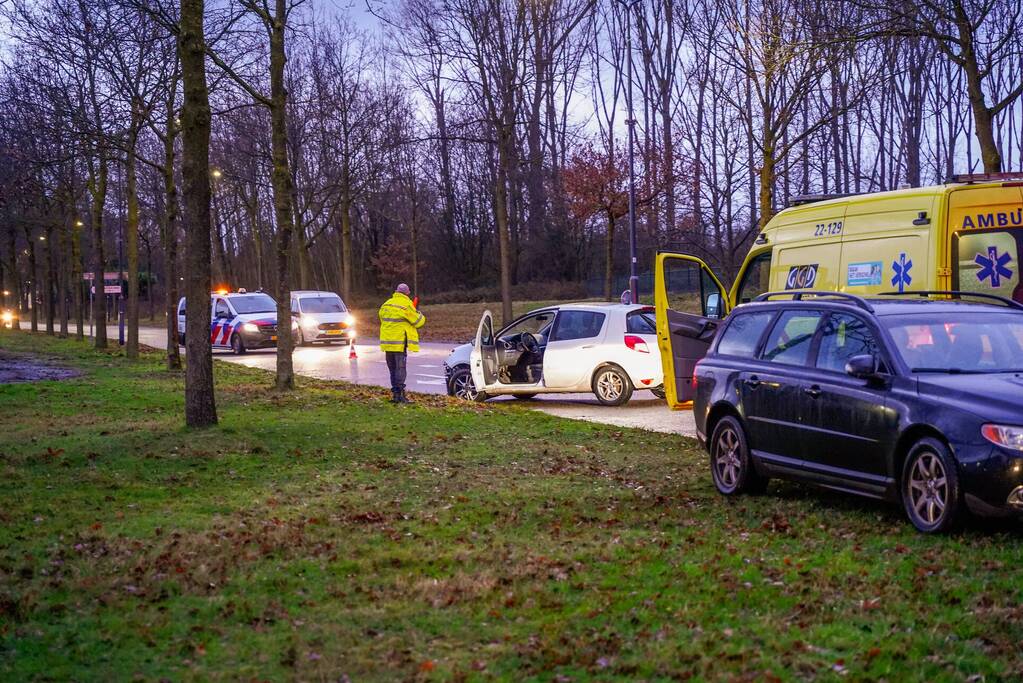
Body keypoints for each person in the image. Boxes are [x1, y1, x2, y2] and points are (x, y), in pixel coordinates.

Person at [378, 283, 426, 404]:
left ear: (396, 292)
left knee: (392, 369)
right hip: (399, 344)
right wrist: (418, 312)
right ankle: (400, 396)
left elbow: (382, 319)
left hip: (387, 343)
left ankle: (395, 395)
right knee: (400, 369)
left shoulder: (386, 304)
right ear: (407, 293)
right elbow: (418, 322)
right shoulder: (406, 305)